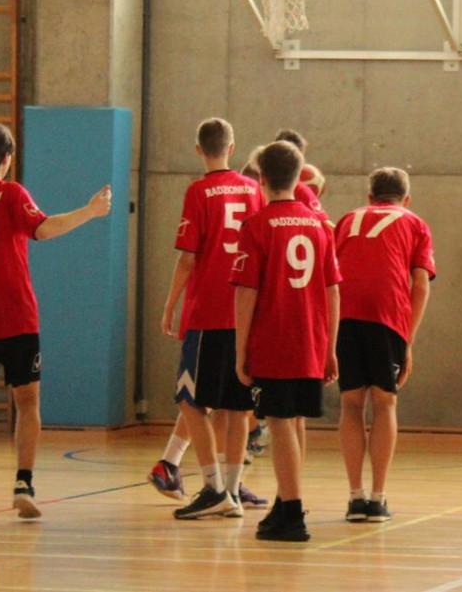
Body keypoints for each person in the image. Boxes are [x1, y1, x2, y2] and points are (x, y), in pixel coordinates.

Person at [0, 122, 111, 524]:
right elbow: (43, 228)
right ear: (7, 158)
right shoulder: (12, 193)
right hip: (16, 318)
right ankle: (23, 483)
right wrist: (90, 211)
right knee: (27, 403)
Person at [157, 118, 267, 520]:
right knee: (237, 409)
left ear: (198, 149)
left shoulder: (199, 191)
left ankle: (212, 487)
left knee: (190, 400)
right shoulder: (254, 190)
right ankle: (233, 491)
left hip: (206, 311)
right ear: (232, 146)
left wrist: (171, 303)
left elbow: (188, 256)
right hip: (244, 312)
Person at [233, 140, 342, 542]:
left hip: (275, 338)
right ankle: (286, 499)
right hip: (311, 338)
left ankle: (292, 513)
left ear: (260, 179)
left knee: (278, 422)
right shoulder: (320, 226)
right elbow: (333, 291)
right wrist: (330, 347)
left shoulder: (257, 226)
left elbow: (245, 293)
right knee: (294, 421)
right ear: (301, 179)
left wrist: (240, 350)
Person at [334, 167, 435, 523]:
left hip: (344, 315)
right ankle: (378, 498)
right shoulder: (414, 223)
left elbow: (329, 278)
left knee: (350, 404)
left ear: (369, 197)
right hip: (386, 315)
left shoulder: (346, 220)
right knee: (385, 403)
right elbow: (420, 285)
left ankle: (354, 498)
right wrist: (406, 340)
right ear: (405, 199)